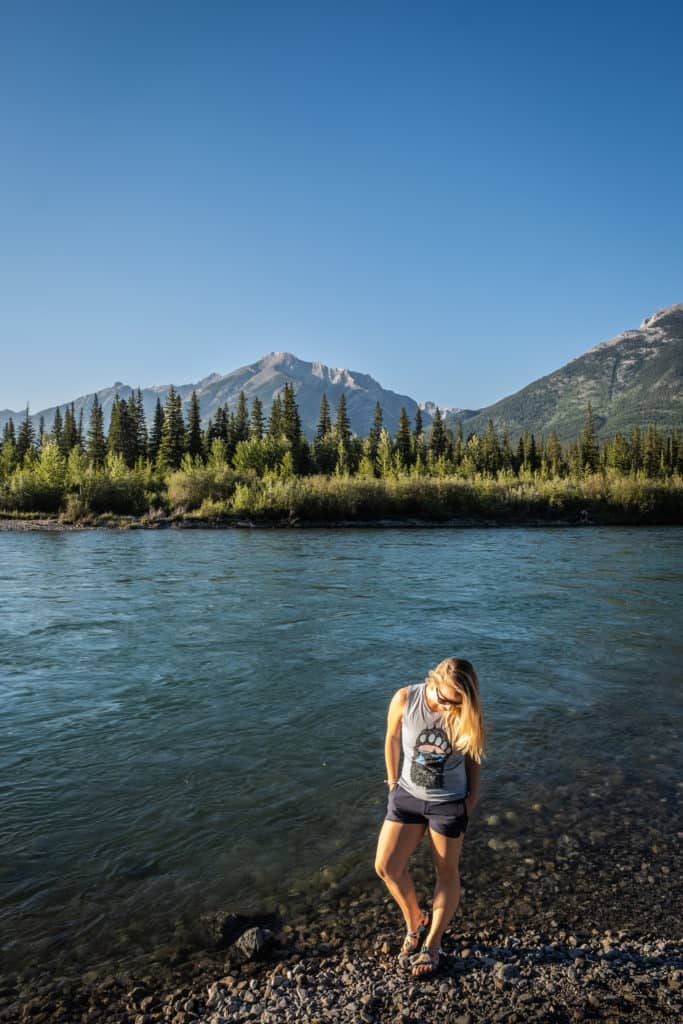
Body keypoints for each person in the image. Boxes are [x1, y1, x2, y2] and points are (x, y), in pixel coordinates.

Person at [374, 657, 486, 978]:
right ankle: (415, 920)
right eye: (447, 700)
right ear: (432, 683)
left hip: (448, 802)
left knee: (446, 871)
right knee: (386, 866)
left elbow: (473, 756)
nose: (452, 708)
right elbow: (392, 737)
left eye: (459, 702)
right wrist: (393, 782)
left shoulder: (466, 709)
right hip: (407, 796)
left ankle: (432, 943)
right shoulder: (406, 699)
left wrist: (471, 799)